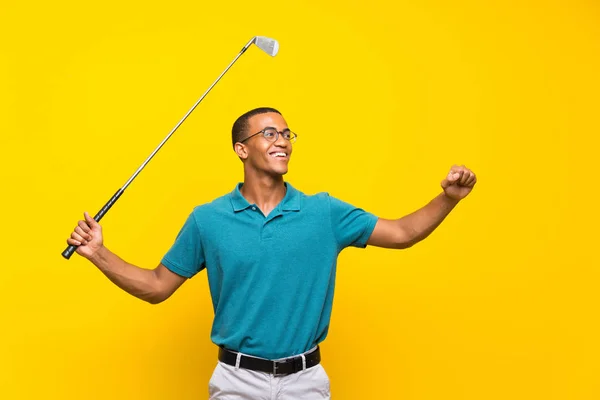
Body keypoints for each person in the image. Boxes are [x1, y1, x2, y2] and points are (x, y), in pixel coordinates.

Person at [66, 107, 477, 399]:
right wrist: (98, 253)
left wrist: (449, 199)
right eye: (269, 133)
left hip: (305, 382)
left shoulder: (324, 212)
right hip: (236, 382)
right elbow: (156, 286)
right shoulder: (208, 219)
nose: (281, 141)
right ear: (241, 150)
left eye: (285, 133)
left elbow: (404, 232)